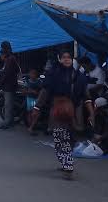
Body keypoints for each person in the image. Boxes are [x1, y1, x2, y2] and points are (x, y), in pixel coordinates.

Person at [33, 50, 86, 178]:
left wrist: (88, 112)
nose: (67, 60)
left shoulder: (77, 75)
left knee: (67, 139)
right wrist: (37, 107)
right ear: (59, 59)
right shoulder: (54, 74)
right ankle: (66, 165)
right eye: (64, 57)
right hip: (58, 110)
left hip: (73, 111)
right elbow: (45, 92)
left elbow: (83, 94)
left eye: (69, 57)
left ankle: (68, 167)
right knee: (60, 138)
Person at [0, 41, 21, 129]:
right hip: (9, 85)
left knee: (8, 105)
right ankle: (10, 121)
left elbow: (7, 73)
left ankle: (7, 123)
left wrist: (2, 81)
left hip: (9, 85)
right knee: (9, 104)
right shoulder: (10, 59)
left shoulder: (10, 59)